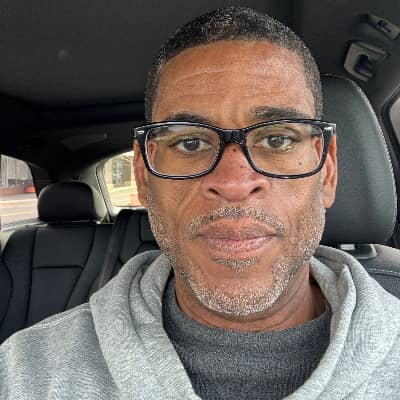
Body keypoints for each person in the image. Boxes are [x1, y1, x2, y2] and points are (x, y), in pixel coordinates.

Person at [1, 6, 400, 400]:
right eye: (190, 143)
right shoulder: (25, 373)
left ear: (326, 171)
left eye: (277, 139)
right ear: (143, 176)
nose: (233, 183)